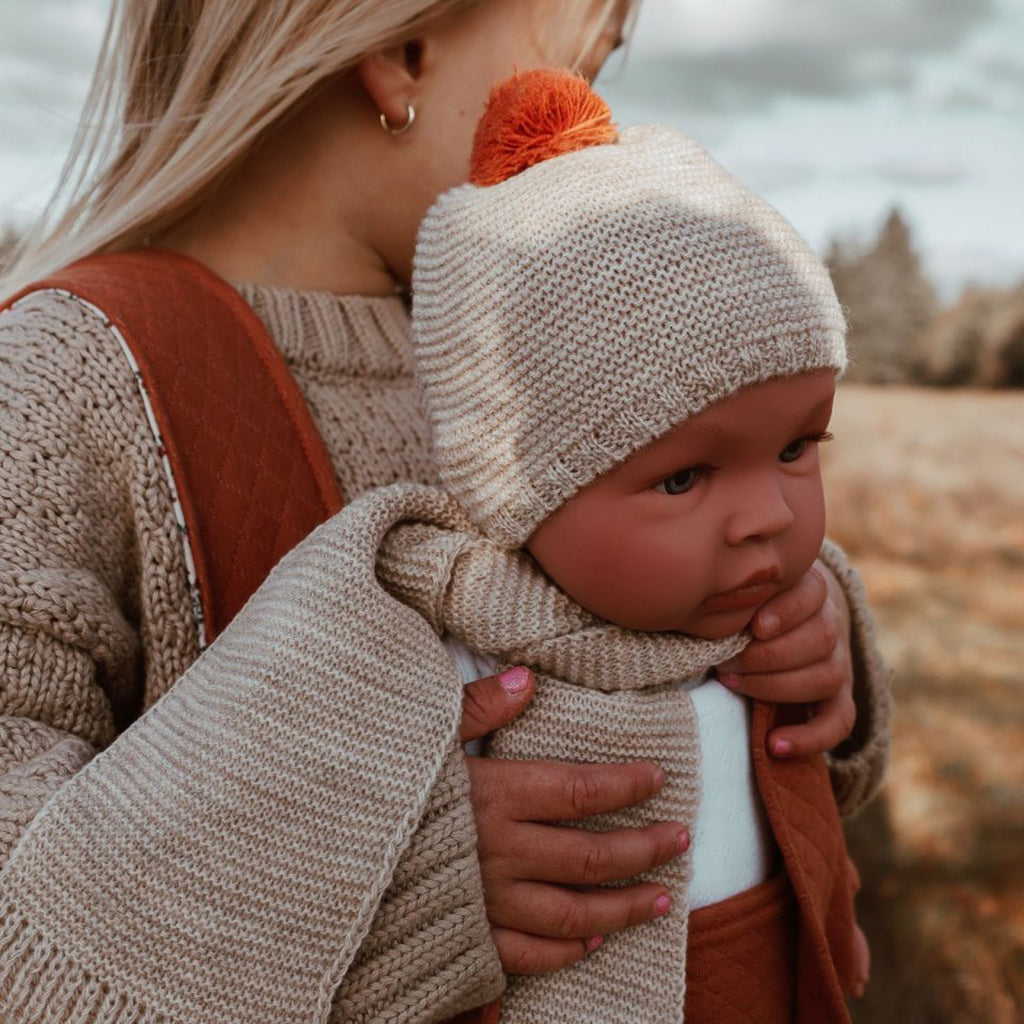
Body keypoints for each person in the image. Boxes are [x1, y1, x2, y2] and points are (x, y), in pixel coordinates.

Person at [0, 2, 889, 1020]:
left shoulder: (523, 352)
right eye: (582, 68)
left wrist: (807, 637)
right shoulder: (62, 379)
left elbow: (614, 601)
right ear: (399, 53)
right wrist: (408, 887)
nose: (594, 123)